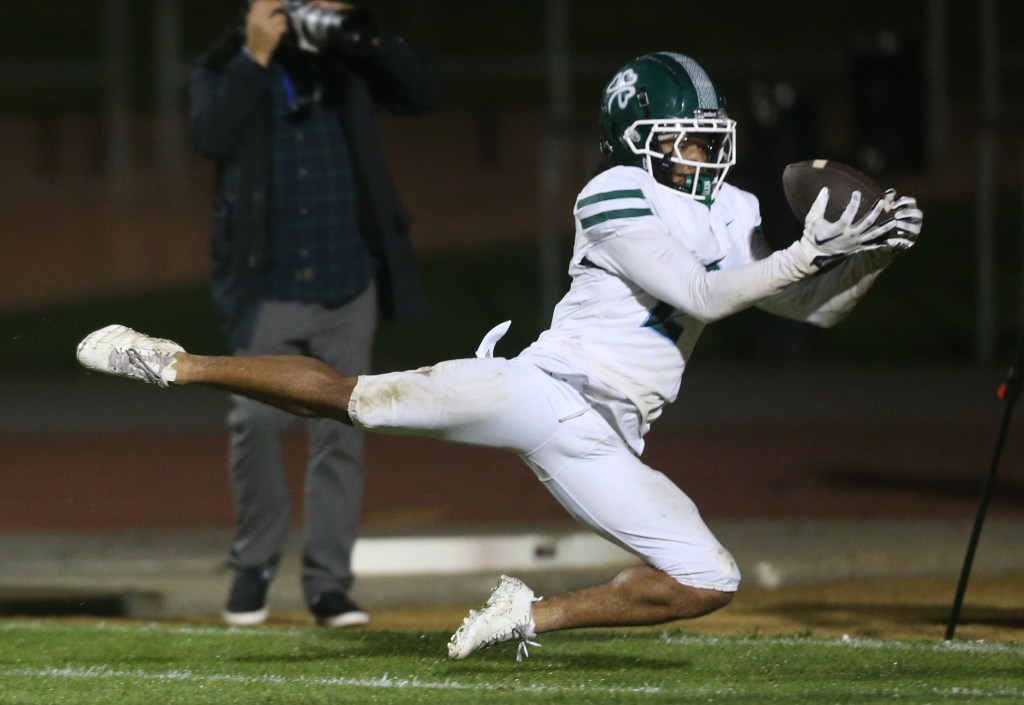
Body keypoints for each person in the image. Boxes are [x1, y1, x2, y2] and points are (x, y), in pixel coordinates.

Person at [79, 52, 921, 659]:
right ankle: (175, 363)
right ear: (638, 138)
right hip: (542, 390)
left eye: (710, 138)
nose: (705, 154)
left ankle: (527, 614)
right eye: (687, 140)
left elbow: (813, 309)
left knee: (708, 579)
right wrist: (808, 252)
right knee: (357, 398)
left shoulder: (732, 208)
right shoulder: (614, 190)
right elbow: (701, 295)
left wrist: (872, 254)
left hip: (610, 437)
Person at [187, 0, 438, 628]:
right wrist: (254, 57)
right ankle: (254, 565)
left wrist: (367, 39)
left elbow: (421, 95)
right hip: (268, 285)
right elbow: (209, 136)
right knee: (255, 422)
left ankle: (329, 583)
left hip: (348, 281)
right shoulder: (225, 62)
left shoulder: (349, 63)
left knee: (343, 431)